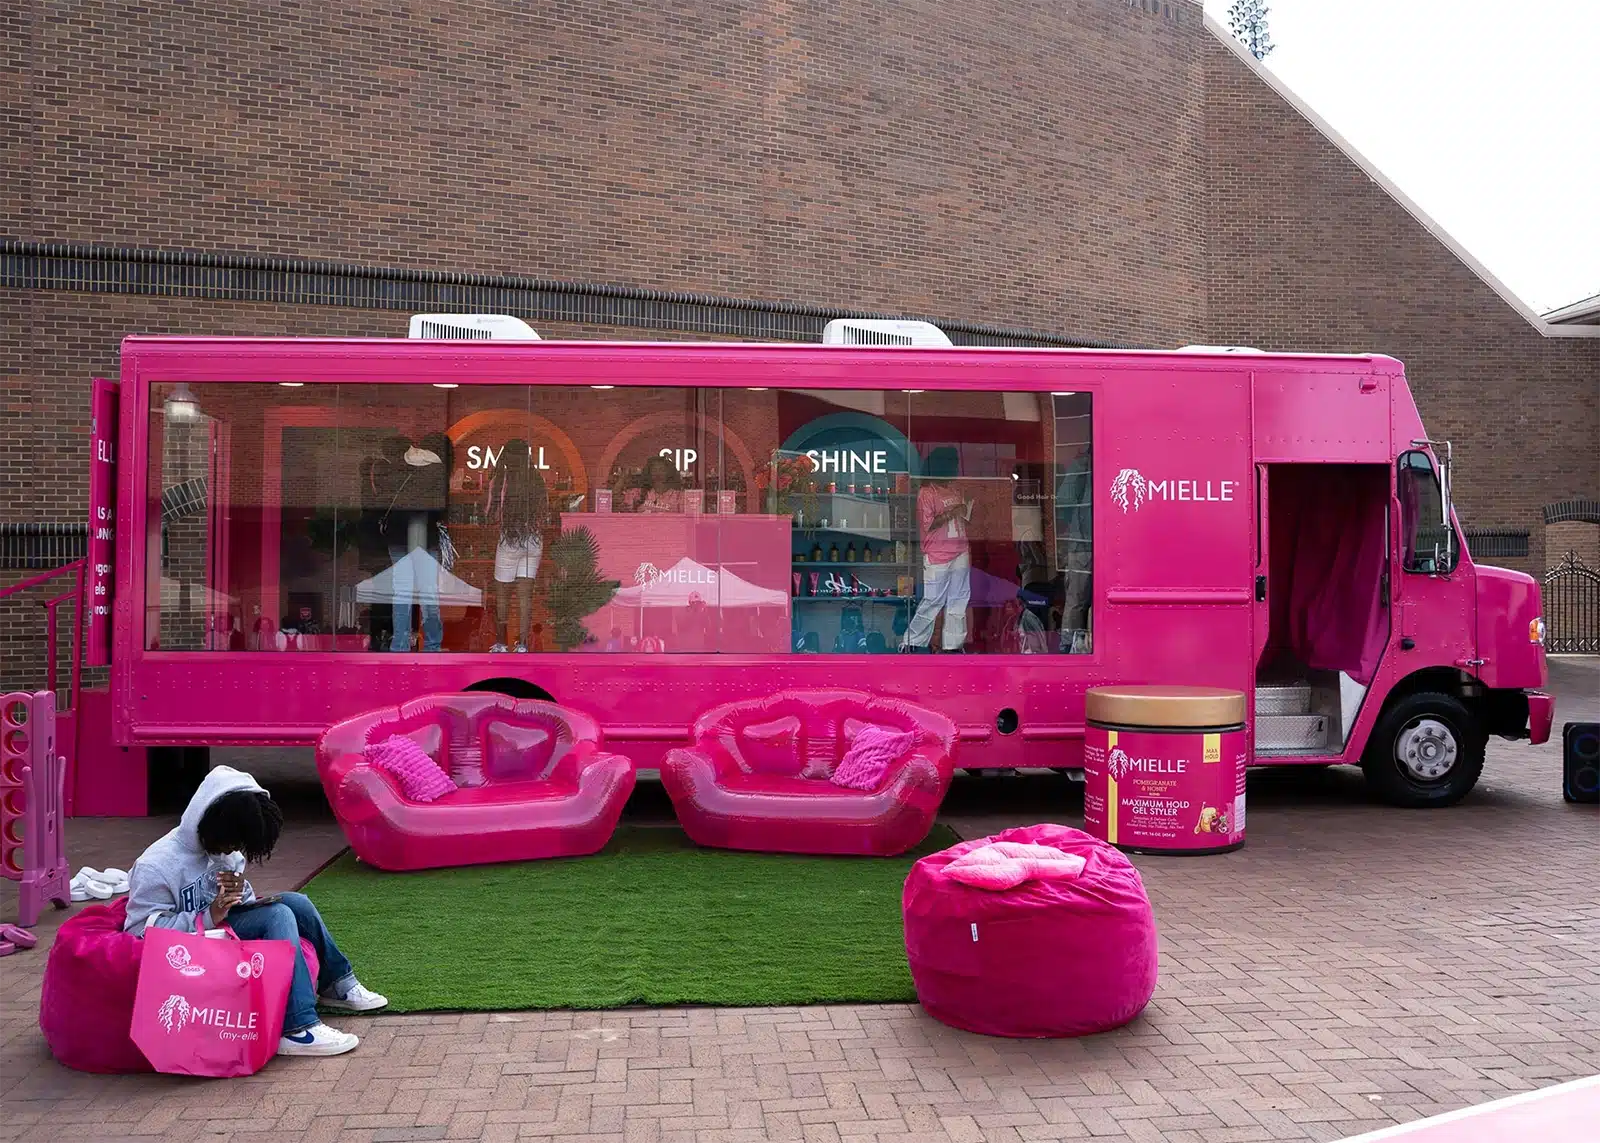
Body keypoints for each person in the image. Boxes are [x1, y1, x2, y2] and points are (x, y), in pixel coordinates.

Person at [123, 767, 387, 1058]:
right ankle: (297, 1027)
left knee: (296, 903)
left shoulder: (228, 852)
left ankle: (337, 985)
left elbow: (234, 905)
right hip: (189, 949)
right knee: (279, 916)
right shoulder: (156, 865)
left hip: (219, 931)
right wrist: (210, 914)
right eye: (233, 841)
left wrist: (241, 894)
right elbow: (137, 933)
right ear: (213, 824)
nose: (235, 850)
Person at [484, 438, 556, 653]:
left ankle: (501, 643)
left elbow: (489, 513)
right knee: (525, 597)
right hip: (533, 540)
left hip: (510, 539)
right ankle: (523, 645)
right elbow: (545, 512)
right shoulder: (536, 479)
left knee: (503, 595)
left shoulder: (500, 480)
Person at [902, 447, 972, 653]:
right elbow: (928, 524)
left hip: (960, 549)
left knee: (959, 600)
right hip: (937, 554)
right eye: (954, 464)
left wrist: (966, 512)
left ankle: (954, 645)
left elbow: (962, 518)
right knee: (933, 600)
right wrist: (952, 512)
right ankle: (911, 641)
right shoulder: (926, 493)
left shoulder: (955, 490)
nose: (957, 468)